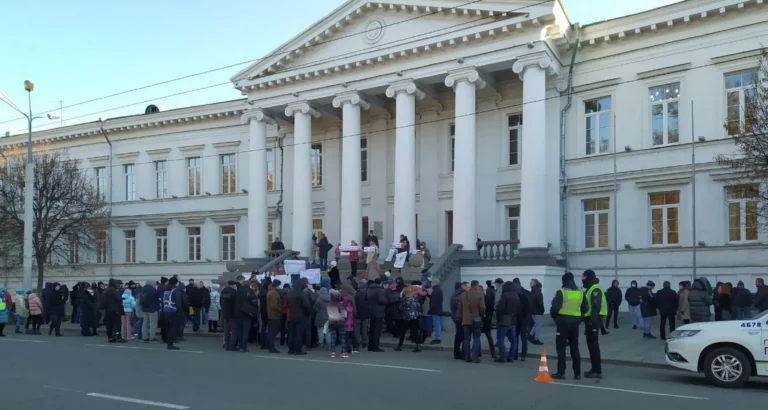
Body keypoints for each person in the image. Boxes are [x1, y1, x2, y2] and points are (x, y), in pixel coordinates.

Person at [550, 272, 587, 380]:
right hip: (575, 323)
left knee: (561, 348)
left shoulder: (561, 292)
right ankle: (577, 374)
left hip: (562, 323)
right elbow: (585, 309)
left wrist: (556, 318)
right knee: (574, 348)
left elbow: (554, 309)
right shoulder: (580, 293)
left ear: (563, 281)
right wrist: (579, 319)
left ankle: (561, 373)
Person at [581, 270, 606, 379]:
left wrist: (591, 321)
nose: (582, 278)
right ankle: (594, 368)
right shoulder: (590, 288)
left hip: (594, 320)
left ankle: (597, 370)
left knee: (594, 346)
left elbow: (596, 307)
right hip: (591, 320)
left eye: (583, 276)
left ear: (588, 277)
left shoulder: (595, 289)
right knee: (591, 346)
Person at [459, 280, 485, 363]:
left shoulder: (463, 295)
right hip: (476, 318)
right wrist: (481, 315)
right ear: (477, 285)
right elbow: (482, 308)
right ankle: (474, 356)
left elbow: (460, 308)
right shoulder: (480, 294)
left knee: (467, 339)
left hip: (466, 319)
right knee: (476, 337)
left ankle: (467, 357)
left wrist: (462, 317)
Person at [495, 281, 519, 363]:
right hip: (513, 320)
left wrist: (498, 318)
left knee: (500, 339)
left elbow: (500, 308)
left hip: (504, 320)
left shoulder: (504, 295)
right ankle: (510, 356)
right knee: (513, 340)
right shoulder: (516, 295)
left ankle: (502, 357)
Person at [287, 278, 312, 355]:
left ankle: (291, 349)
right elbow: (306, 305)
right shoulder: (302, 293)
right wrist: (309, 312)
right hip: (301, 315)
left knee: (291, 332)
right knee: (299, 333)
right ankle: (298, 349)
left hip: (291, 314)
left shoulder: (290, 293)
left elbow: (287, 304)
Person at [394, 286, 422, 352]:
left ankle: (399, 346)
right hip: (414, 318)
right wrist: (418, 316)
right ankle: (417, 347)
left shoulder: (404, 299)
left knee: (402, 332)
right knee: (414, 332)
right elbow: (419, 308)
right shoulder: (415, 299)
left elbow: (400, 308)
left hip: (405, 318)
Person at [233, 279, 258, 353]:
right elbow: (254, 302)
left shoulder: (237, 292)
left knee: (239, 331)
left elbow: (233, 302)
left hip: (238, 313)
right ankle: (244, 347)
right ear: (249, 285)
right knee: (245, 331)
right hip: (247, 314)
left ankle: (240, 346)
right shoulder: (250, 292)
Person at [366, 278, 387, 352]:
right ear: (380, 283)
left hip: (370, 311)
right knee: (377, 330)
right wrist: (386, 301)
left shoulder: (369, 289)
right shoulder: (380, 290)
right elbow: (382, 300)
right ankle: (375, 346)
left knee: (371, 329)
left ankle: (370, 346)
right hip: (378, 312)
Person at [326, 289, 348, 358]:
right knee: (342, 338)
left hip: (332, 322)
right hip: (340, 322)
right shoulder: (340, 305)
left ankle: (332, 352)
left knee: (333, 337)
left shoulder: (329, 304)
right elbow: (344, 314)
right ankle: (343, 352)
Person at [162, 277, 183, 350]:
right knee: (172, 328)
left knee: (167, 328)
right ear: (175, 283)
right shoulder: (176, 290)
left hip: (166, 310)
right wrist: (180, 311)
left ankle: (168, 342)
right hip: (173, 311)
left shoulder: (166, 290)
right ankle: (170, 344)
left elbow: (163, 300)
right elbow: (178, 302)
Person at [512, 279, 529, 361]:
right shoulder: (526, 293)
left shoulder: (512, 293)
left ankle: (515, 354)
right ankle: (523, 355)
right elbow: (529, 307)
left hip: (515, 319)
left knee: (515, 338)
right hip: (524, 319)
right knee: (524, 338)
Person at [451, 282, 468, 360]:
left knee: (458, 336)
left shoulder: (454, 295)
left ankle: (456, 353)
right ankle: (464, 353)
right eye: (467, 286)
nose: (468, 288)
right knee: (464, 336)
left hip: (456, 317)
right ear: (463, 286)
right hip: (463, 317)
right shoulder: (463, 295)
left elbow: (453, 308)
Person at [266, 279, 283, 353]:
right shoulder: (274, 293)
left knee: (271, 331)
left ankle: (270, 346)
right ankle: (271, 347)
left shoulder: (270, 291)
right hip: (275, 315)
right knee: (273, 332)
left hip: (271, 314)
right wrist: (281, 310)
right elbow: (274, 305)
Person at [220, 280, 237, 350]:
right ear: (232, 285)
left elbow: (220, 302)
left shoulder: (223, 292)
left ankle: (226, 345)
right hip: (232, 313)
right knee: (233, 330)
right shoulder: (233, 292)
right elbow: (235, 304)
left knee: (226, 330)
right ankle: (232, 345)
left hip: (224, 313)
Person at [482, 281, 497, 360]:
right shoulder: (489, 293)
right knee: (488, 335)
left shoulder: (485, 295)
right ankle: (493, 353)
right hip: (487, 318)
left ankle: (477, 353)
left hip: (481, 319)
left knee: (476, 337)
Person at [528, 279, 544, 345]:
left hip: (533, 311)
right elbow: (540, 303)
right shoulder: (538, 292)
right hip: (538, 311)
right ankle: (536, 338)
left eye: (531, 282)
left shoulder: (532, 291)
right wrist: (542, 310)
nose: (530, 283)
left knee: (536, 324)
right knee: (539, 325)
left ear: (535, 284)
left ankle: (530, 335)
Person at [427, 278, 443, 345]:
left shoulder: (436, 290)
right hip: (437, 309)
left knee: (436, 324)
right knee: (437, 323)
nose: (431, 284)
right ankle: (437, 337)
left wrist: (430, 309)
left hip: (435, 310)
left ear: (435, 283)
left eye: (432, 283)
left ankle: (438, 338)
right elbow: (433, 298)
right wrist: (428, 295)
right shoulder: (438, 289)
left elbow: (434, 301)